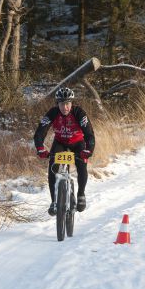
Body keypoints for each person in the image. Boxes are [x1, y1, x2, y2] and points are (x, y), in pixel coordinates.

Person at [34, 86, 95, 216]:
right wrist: (40, 148)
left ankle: (81, 194)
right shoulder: (53, 113)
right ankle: (54, 202)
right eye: (62, 104)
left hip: (78, 143)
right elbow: (40, 132)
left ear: (71, 103)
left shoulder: (79, 113)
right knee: (52, 167)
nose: (65, 107)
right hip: (60, 142)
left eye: (67, 103)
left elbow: (89, 134)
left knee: (81, 165)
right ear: (58, 104)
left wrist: (88, 150)